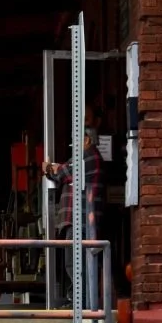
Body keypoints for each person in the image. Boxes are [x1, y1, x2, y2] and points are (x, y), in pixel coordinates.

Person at [42, 111, 104, 306]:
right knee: (78, 263)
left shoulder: (87, 156)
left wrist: (48, 167)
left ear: (86, 140)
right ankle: (81, 301)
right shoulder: (89, 157)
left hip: (81, 220)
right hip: (81, 219)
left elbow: (62, 173)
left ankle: (83, 304)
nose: (73, 145)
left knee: (75, 263)